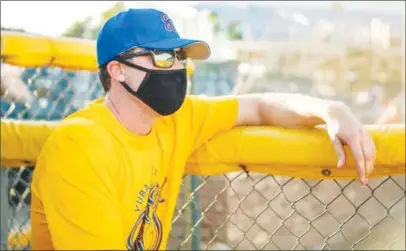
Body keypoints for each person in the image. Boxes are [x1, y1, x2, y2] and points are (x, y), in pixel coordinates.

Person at [30, 8, 376, 251]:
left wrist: (330, 109)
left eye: (180, 56)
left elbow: (257, 105)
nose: (178, 67)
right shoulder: (79, 146)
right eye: (162, 58)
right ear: (118, 71)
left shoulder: (175, 118)